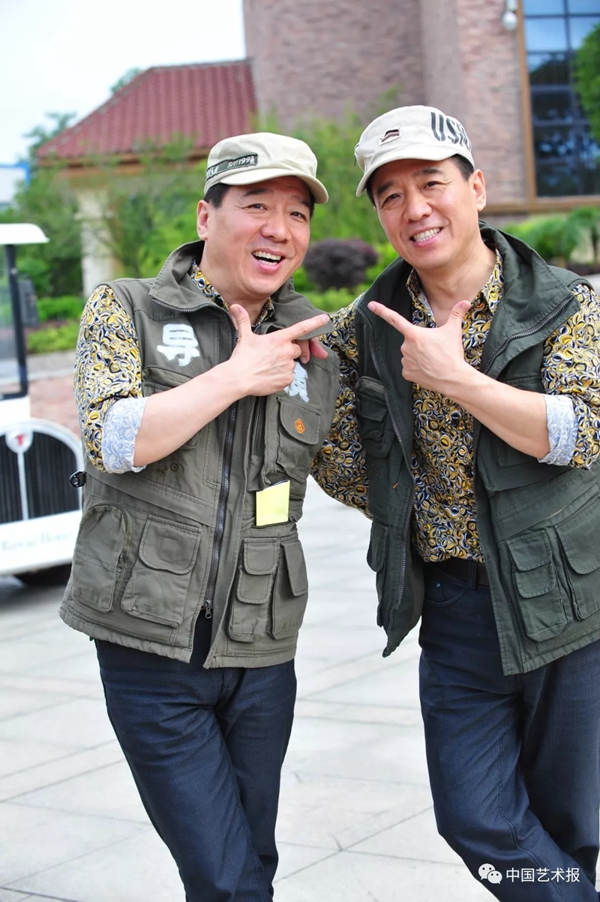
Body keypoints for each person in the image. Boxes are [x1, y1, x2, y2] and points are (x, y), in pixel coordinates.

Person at [312, 105, 600, 900]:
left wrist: (458, 381)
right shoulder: (364, 329)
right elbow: (346, 465)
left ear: (476, 188)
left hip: (569, 599)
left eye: (431, 183)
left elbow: (583, 432)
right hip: (456, 608)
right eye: (391, 195)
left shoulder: (566, 303)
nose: (414, 208)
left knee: (570, 824)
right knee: (476, 816)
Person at [60, 132, 339, 902]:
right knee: (224, 875)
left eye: (297, 213)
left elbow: (357, 471)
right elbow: (115, 438)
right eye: (257, 206)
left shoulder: (318, 345)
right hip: (149, 645)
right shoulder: (126, 308)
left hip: (262, 646)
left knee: (251, 862)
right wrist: (236, 376)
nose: (279, 228)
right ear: (206, 216)